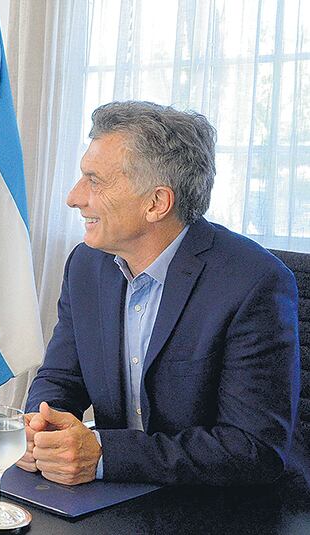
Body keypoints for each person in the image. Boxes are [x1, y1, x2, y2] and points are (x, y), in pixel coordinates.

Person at [18, 101, 303, 486]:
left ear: (157, 203)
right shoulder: (87, 264)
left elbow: (251, 449)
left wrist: (104, 455)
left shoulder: (253, 283)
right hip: (113, 499)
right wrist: (41, 424)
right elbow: (60, 376)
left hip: (214, 508)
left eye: (94, 181)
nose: (74, 197)